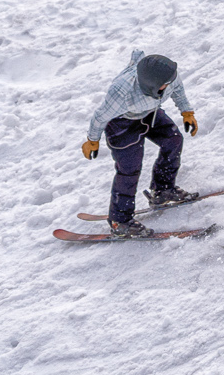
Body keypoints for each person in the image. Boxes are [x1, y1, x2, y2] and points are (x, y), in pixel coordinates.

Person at [81, 50, 198, 238]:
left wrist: (187, 112)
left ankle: (163, 190)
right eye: (165, 84)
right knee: (130, 168)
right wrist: (92, 140)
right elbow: (100, 117)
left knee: (173, 140)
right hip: (122, 123)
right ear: (151, 85)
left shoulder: (168, 76)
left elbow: (178, 89)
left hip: (149, 113)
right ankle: (120, 221)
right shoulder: (121, 93)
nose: (171, 82)